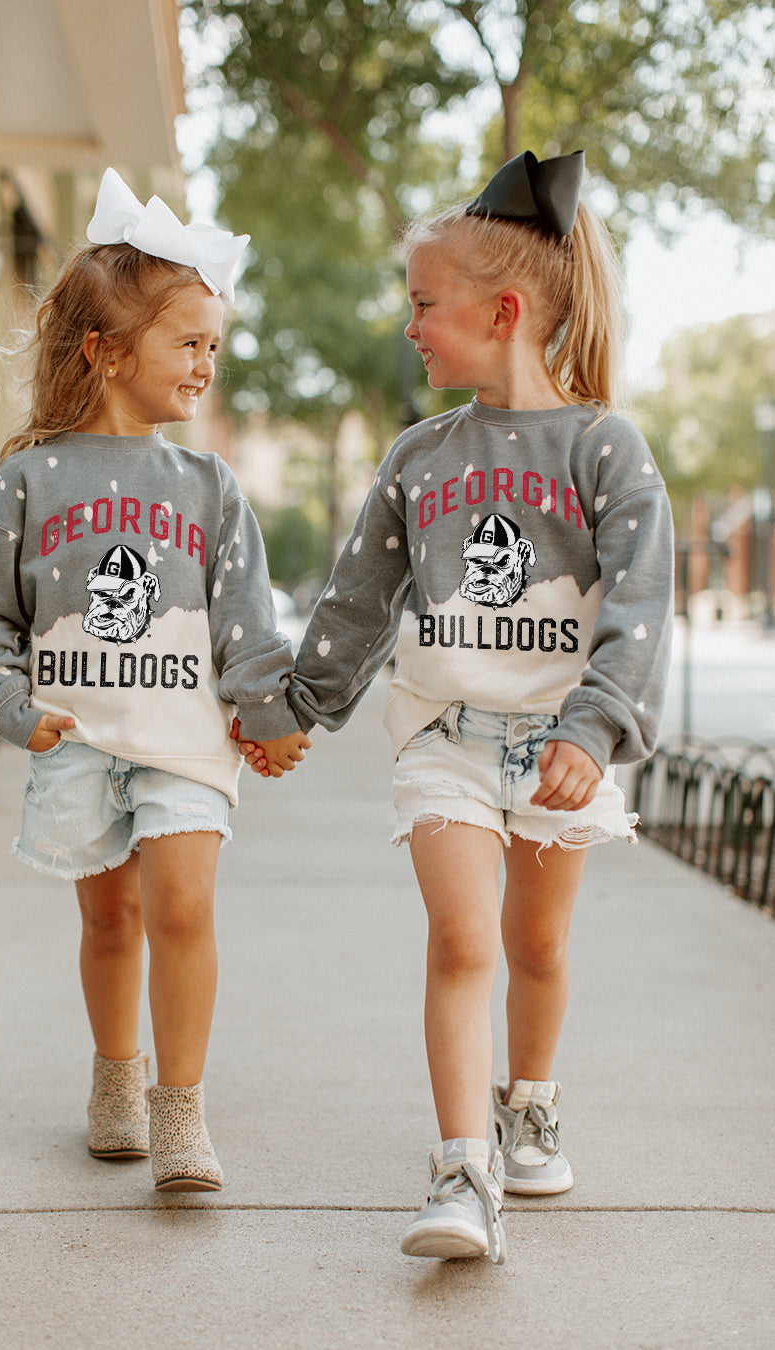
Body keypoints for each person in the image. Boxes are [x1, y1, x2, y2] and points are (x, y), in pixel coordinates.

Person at [240, 150, 673, 1262]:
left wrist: (595, 727)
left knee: (535, 943)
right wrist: (300, 705)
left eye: (424, 305)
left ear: (504, 310)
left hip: (559, 749)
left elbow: (640, 601)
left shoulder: (604, 448)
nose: (410, 328)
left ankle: (529, 1100)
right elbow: (356, 599)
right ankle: (459, 1167)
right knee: (463, 937)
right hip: (445, 739)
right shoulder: (419, 458)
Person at [0, 168, 310, 1194]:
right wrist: (9, 708)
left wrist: (269, 714)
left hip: (186, 743)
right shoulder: (26, 479)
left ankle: (181, 1110)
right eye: (188, 343)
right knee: (109, 920)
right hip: (81, 735)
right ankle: (117, 1078)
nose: (205, 365)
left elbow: (247, 625)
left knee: (184, 910)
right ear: (108, 351)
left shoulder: (208, 486)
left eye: (212, 346)